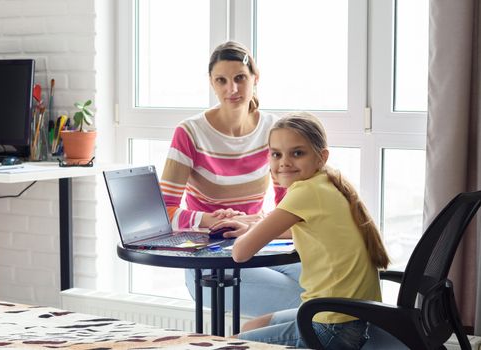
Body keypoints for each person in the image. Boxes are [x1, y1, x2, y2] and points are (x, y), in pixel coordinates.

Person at [211, 112, 390, 349]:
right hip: (352, 317)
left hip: (332, 325)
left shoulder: (305, 192)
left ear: (320, 157)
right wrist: (253, 227)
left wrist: (250, 233)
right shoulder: (326, 182)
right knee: (251, 328)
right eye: (276, 154)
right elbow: (306, 228)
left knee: (231, 346)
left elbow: (240, 253)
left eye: (297, 153)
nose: (284, 162)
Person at [160, 41, 304, 317]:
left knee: (333, 289)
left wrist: (255, 224)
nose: (232, 89)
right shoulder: (189, 133)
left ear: (255, 78)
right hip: (209, 259)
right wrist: (208, 220)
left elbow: (290, 206)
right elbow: (163, 213)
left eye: (240, 78)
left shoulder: (273, 129)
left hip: (262, 246)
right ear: (211, 83)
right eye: (222, 81)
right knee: (307, 301)